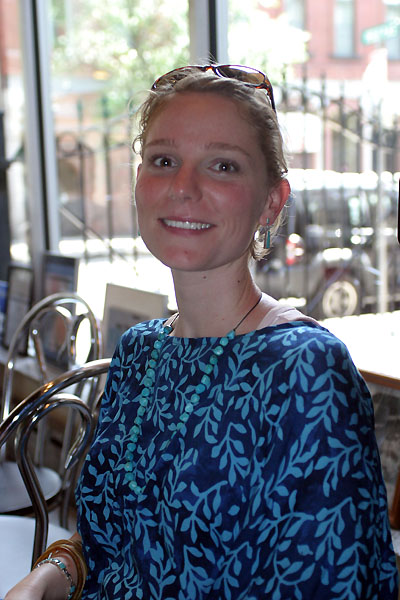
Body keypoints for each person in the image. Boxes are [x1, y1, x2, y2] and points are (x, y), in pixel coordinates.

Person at [5, 64, 399, 600]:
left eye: (222, 165)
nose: (184, 187)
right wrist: (45, 579)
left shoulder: (306, 372)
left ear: (271, 202)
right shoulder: (140, 352)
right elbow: (108, 539)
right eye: (164, 160)